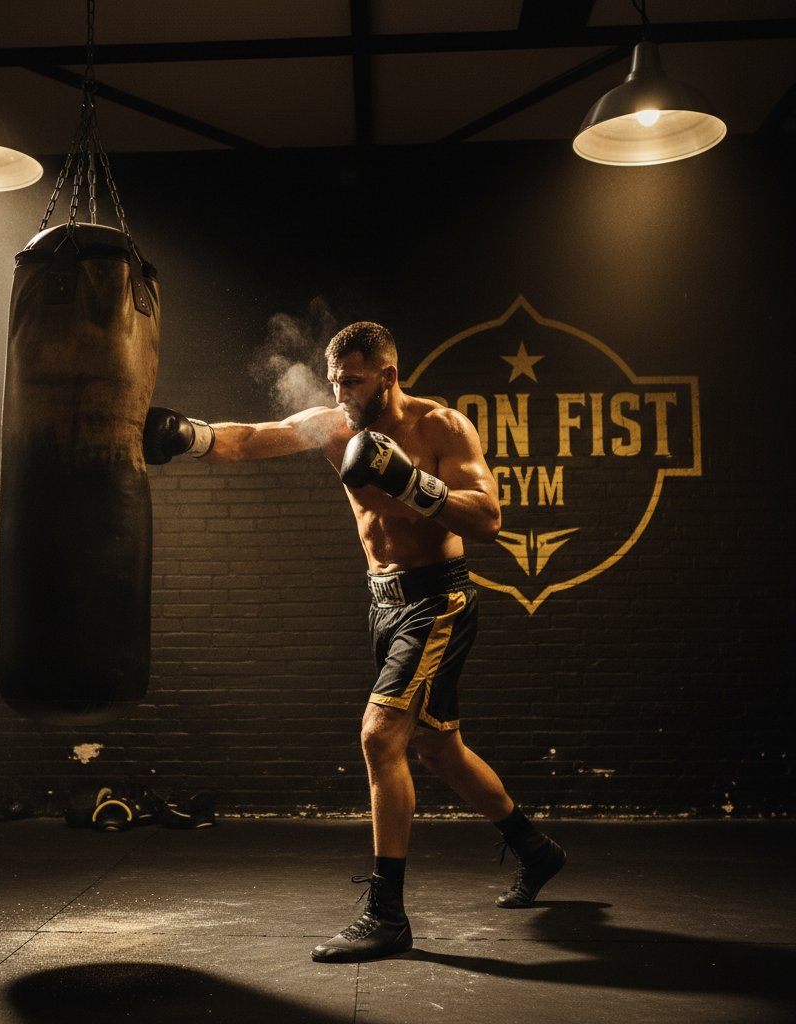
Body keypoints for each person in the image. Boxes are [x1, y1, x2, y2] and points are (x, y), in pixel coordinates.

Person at [142, 321, 566, 963]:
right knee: (439, 750)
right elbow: (251, 439)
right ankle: (537, 850)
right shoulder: (335, 425)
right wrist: (189, 437)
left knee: (379, 737)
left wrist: (412, 484)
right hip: (383, 604)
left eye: (354, 382)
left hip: (438, 600)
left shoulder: (441, 427)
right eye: (335, 381)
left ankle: (387, 915)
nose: (341, 393)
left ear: (389, 376)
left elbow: (488, 519)